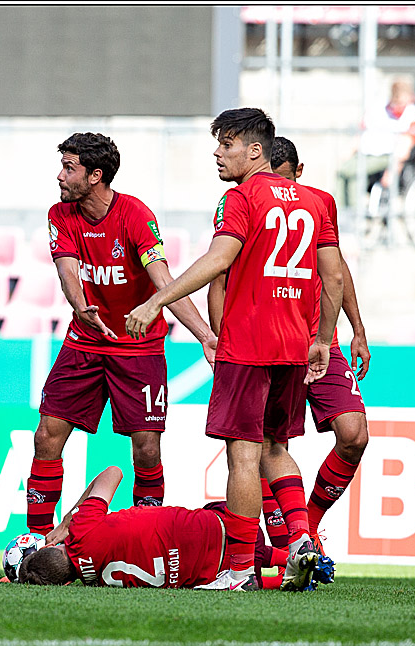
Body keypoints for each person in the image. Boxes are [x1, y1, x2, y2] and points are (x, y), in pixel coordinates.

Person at [125, 108, 344, 592]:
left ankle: (240, 568)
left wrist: (157, 298)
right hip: (294, 344)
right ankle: (301, 541)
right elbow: (333, 276)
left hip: (247, 344)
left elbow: (221, 259)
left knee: (242, 457)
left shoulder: (240, 198)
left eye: (226, 144)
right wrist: (323, 339)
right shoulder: (319, 201)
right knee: (276, 448)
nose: (217, 153)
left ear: (254, 150)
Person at [25, 132, 217, 538]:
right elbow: (66, 270)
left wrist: (204, 335)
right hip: (85, 342)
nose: (60, 176)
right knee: (46, 436)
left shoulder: (135, 216)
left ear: (96, 175)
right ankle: (35, 543)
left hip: (139, 347)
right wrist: (80, 307)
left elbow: (163, 281)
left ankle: (146, 538)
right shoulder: (60, 214)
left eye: (69, 168)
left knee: (147, 448)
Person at [267, 136, 370, 554]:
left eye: (287, 180)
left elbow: (336, 267)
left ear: (300, 171)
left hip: (319, 342)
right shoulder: (243, 200)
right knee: (269, 442)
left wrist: (357, 329)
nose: (282, 192)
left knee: (354, 434)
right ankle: (288, 539)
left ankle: (307, 524)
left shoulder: (320, 203)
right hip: (270, 343)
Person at [16, 466, 330, 589]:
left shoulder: (97, 583)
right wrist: (69, 519)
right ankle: (291, 555)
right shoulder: (82, 529)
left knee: (238, 570)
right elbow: (113, 472)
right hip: (220, 530)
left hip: (209, 573)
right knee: (222, 517)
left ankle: (285, 580)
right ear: (55, 546)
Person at [337, 78, 415, 207]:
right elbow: (361, 133)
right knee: (341, 172)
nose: (398, 106)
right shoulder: (378, 109)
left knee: (352, 172)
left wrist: (392, 170)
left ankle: (354, 214)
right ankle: (337, 213)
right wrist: (349, 152)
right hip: (366, 152)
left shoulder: (412, 115)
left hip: (385, 156)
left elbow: (404, 147)